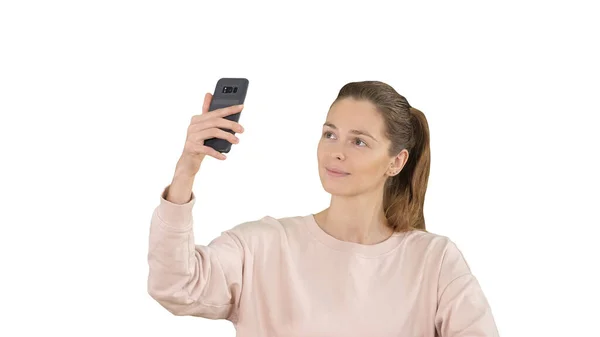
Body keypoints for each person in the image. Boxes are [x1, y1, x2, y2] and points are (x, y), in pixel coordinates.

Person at [147, 81, 500, 336]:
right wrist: (186, 170)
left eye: (359, 141)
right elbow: (176, 286)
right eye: (330, 134)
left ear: (396, 161)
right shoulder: (264, 245)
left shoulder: (434, 261)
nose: (336, 152)